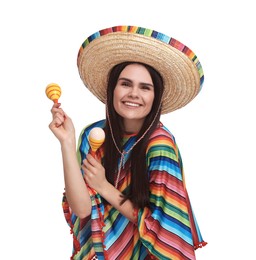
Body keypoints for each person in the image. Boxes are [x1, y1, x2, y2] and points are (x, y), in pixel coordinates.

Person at [49, 25, 207, 260]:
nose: (134, 93)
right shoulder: (94, 135)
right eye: (125, 84)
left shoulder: (160, 145)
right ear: (112, 88)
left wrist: (104, 188)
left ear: (155, 98)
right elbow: (82, 209)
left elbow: (162, 225)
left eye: (145, 88)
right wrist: (67, 142)